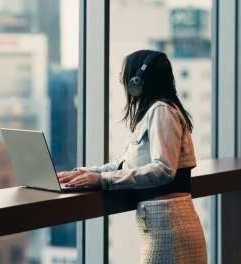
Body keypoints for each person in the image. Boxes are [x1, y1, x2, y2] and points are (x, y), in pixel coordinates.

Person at [57, 50, 208, 264]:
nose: (124, 83)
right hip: (162, 222)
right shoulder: (153, 112)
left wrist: (103, 180)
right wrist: (88, 173)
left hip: (170, 225)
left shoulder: (161, 110)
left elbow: (164, 169)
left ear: (138, 81)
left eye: (125, 77)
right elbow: (124, 163)